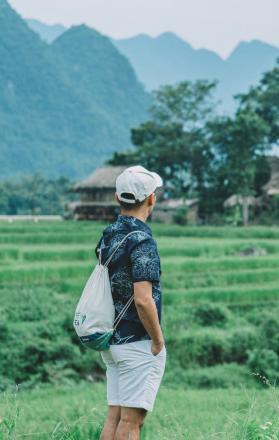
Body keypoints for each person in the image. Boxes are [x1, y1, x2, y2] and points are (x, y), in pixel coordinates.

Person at [97, 166, 166, 440]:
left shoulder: (108, 236)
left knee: (114, 418)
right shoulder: (142, 241)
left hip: (111, 341)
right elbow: (143, 299)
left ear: (117, 198)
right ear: (151, 199)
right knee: (131, 423)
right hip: (137, 343)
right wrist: (158, 340)